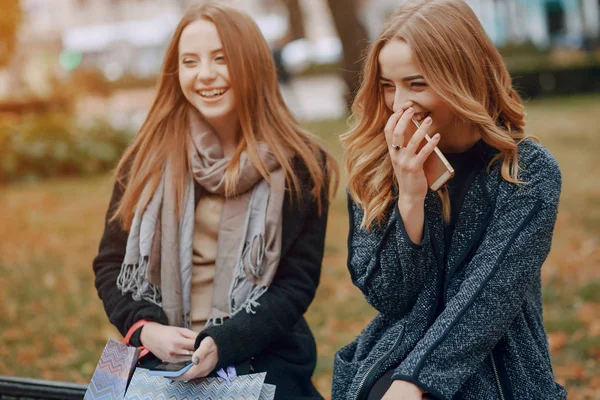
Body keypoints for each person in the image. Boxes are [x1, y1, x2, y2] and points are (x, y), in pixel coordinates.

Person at [92, 3, 337, 399]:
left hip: (259, 354)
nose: (204, 74)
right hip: (153, 356)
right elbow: (109, 264)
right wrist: (146, 329)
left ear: (252, 64)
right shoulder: (146, 160)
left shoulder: (302, 164)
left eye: (221, 59)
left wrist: (224, 342)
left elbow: (296, 284)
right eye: (190, 61)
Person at [332, 1, 566, 399]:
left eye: (417, 83)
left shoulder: (527, 171)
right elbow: (389, 296)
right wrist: (409, 198)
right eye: (389, 85)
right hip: (396, 352)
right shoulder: (377, 164)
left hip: (501, 364)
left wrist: (417, 381)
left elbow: (490, 297)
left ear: (462, 76)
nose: (399, 103)